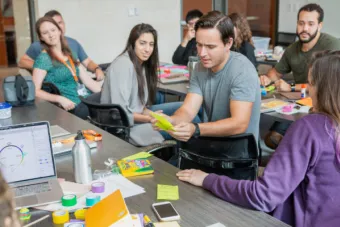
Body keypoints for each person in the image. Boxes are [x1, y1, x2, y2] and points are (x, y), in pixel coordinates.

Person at [177, 50, 340, 227]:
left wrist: (207, 179)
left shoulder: (309, 129)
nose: (307, 89)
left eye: (310, 82)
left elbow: (263, 195)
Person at [153, 11, 261, 142]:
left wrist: (196, 129)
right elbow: (188, 110)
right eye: (199, 45)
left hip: (238, 153)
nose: (202, 53)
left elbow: (239, 124)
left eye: (210, 47)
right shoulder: (199, 67)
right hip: (210, 143)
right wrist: (172, 120)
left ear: (228, 43)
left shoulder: (242, 70)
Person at [259, 3, 340, 149]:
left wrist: (289, 86)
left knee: (308, 140)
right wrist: (266, 78)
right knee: (271, 139)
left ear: (319, 25)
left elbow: (328, 85)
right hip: (297, 105)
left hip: (325, 106)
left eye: (310, 24)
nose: (305, 29)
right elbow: (275, 73)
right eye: (301, 23)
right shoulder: (292, 50)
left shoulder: (333, 46)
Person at [100, 23, 183, 146]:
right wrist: (151, 119)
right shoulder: (123, 65)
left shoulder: (140, 64)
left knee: (184, 107)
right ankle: (178, 162)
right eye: (142, 43)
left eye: (151, 44)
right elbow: (119, 113)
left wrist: (153, 115)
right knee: (185, 125)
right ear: (133, 43)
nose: (148, 49)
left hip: (137, 117)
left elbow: (138, 106)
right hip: (125, 127)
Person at [32, 17, 102, 119]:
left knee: (111, 96)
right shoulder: (43, 58)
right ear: (41, 38)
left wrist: (106, 92)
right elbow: (35, 91)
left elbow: (88, 82)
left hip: (86, 99)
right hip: (74, 106)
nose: (51, 35)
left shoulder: (70, 54)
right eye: (45, 33)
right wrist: (59, 99)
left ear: (59, 31)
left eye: (53, 30)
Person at [18, 10, 105, 81]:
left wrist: (97, 69)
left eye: (60, 22)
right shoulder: (38, 46)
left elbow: (87, 62)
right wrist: (45, 68)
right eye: (55, 24)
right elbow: (22, 62)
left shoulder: (73, 42)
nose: (59, 26)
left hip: (79, 85)